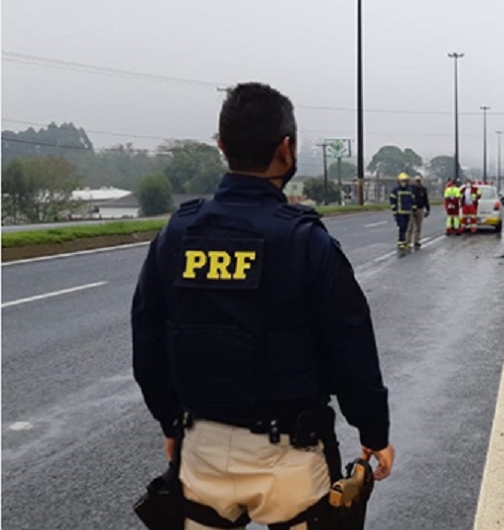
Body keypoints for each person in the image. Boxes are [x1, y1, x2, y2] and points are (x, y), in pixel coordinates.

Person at [131, 82, 393, 529]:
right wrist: (374, 435)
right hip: (290, 457)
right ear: (286, 149)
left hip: (201, 449)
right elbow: (351, 350)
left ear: (221, 146)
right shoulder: (307, 242)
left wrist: (171, 426)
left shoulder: (176, 234)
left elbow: (148, 343)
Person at [390, 172, 416, 251]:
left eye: (405, 181)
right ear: (399, 181)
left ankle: (405, 242)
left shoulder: (409, 190)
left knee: (407, 227)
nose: (404, 183)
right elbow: (393, 201)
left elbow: (412, 200)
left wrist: (414, 208)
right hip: (399, 213)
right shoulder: (395, 190)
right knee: (402, 227)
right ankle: (401, 241)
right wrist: (394, 211)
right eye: (402, 181)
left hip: (407, 212)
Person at [407, 176, 431, 249]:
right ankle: (408, 241)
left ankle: (416, 241)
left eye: (419, 181)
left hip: (420, 209)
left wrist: (428, 209)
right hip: (411, 209)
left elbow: (426, 200)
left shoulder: (423, 189)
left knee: (418, 226)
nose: (418, 182)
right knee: (410, 226)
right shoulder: (411, 189)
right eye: (416, 181)